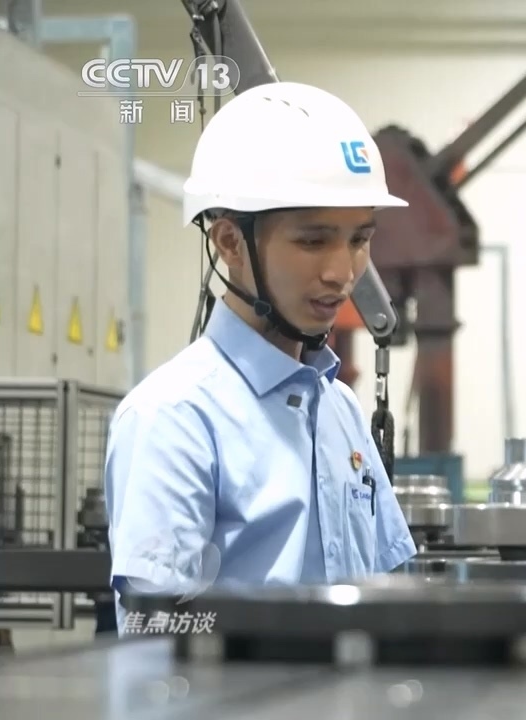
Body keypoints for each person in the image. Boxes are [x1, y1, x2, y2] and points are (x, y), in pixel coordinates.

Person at [103, 82, 417, 634]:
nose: (343, 272)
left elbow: (389, 587)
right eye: (314, 241)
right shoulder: (175, 419)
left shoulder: (338, 408)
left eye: (358, 239)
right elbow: (154, 634)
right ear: (229, 242)